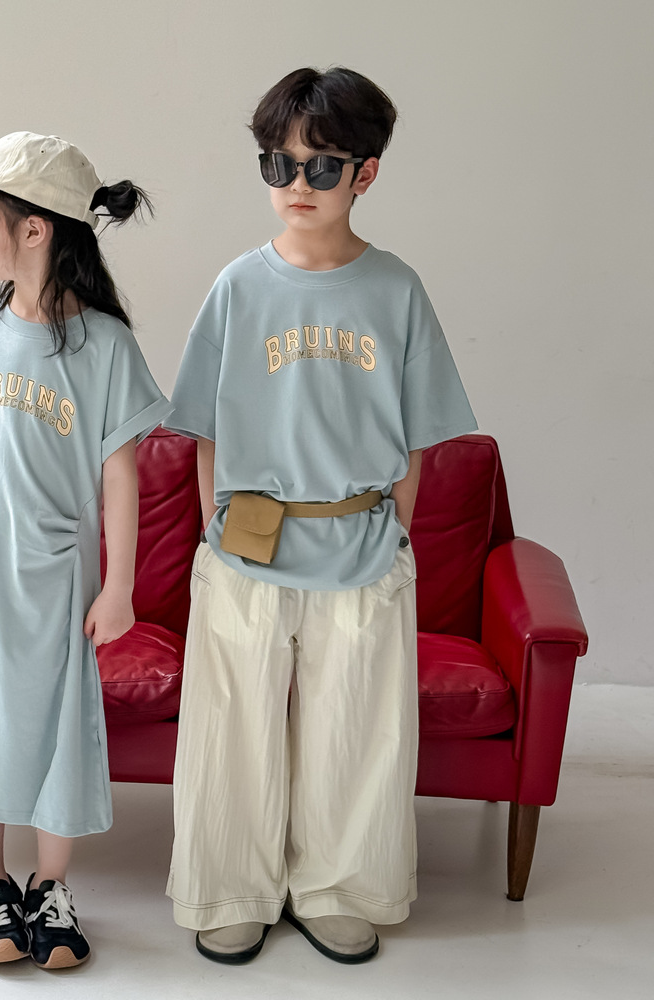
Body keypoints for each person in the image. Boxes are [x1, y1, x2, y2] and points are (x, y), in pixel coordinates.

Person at [164, 67, 478, 965]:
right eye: (278, 164)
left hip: (362, 543)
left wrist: (393, 532)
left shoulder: (396, 290)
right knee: (231, 730)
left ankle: (339, 888)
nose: (296, 185)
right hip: (247, 547)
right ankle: (232, 889)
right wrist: (216, 533)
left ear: (365, 173)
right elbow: (204, 430)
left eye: (321, 167)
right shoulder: (237, 287)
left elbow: (417, 437)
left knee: (356, 730)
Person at [0, 131, 170, 970]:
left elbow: (120, 476)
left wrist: (119, 585)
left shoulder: (107, 348)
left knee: (61, 729)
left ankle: (51, 886)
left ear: (34, 229)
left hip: (61, 585)